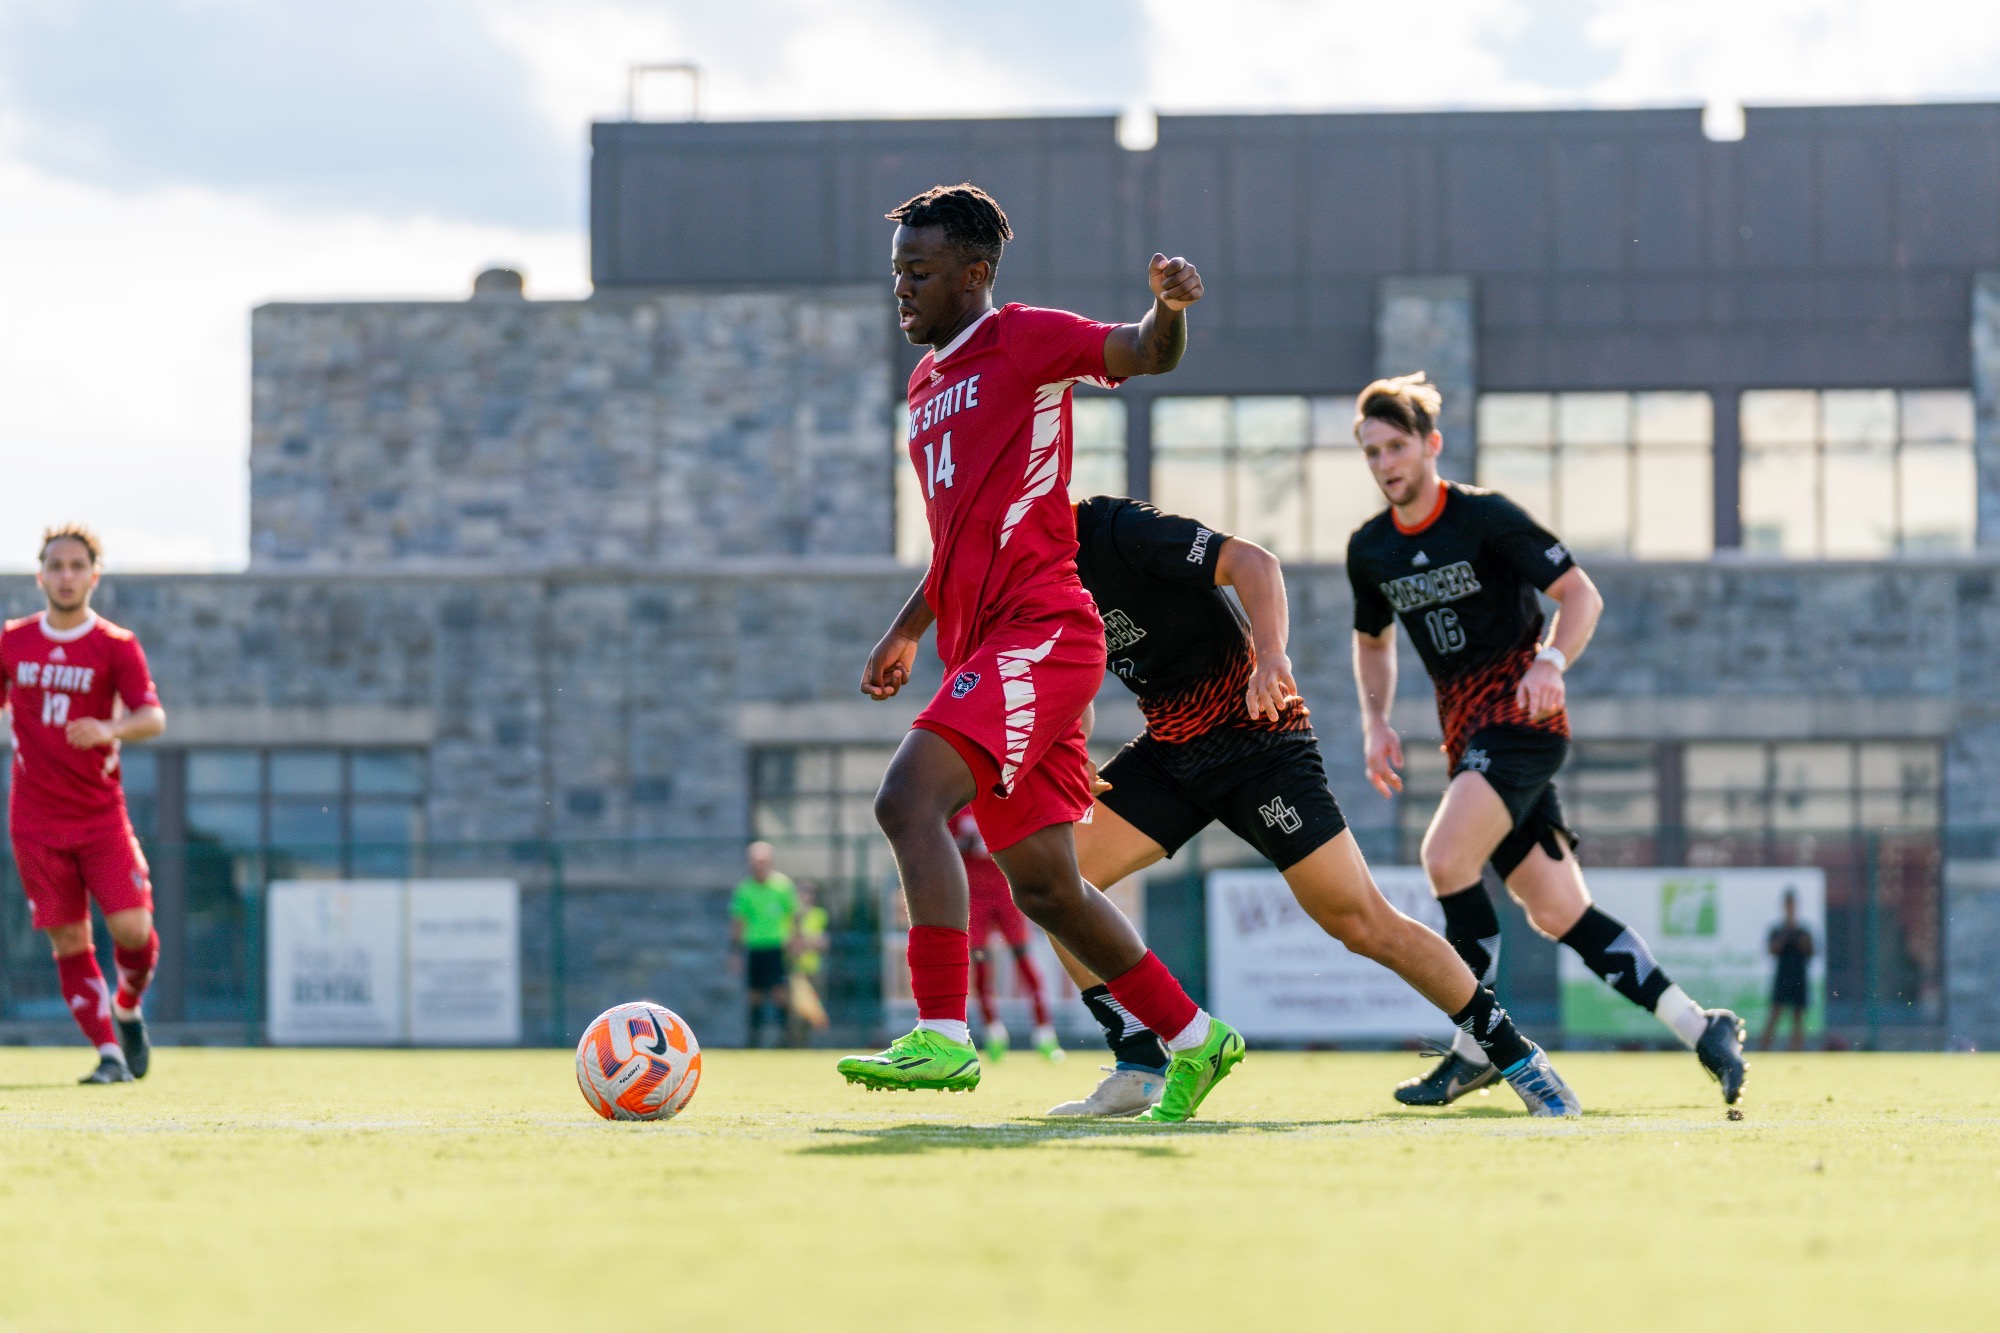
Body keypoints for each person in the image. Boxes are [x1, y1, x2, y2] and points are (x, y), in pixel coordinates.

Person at [837, 182, 1242, 1122]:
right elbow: (958, 537)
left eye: (921, 272)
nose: (902, 289)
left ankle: (941, 1033)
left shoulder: (1023, 338)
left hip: (1044, 632)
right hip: (987, 641)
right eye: (897, 272)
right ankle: (1194, 1037)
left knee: (906, 798)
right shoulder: (925, 384)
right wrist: (908, 627)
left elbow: (1144, 354)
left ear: (974, 274)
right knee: (1051, 888)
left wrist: (1167, 310)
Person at [1042, 496, 1578, 1119]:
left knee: (1361, 922)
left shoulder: (1112, 527)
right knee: (1057, 880)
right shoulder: (1023, 569)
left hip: (1258, 737)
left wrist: (1272, 655)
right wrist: (1068, 747)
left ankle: (1518, 1058)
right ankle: (1138, 1063)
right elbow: (1067, 668)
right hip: (1172, 750)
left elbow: (1255, 562)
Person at [1344, 373, 1748, 1106]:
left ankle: (1476, 1048)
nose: (1384, 464)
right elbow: (1372, 642)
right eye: (1370, 452)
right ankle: (1701, 1025)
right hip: (1468, 739)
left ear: (1431, 445)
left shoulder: (1486, 518)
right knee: (1558, 910)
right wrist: (1375, 721)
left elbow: (1580, 594)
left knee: (1444, 857)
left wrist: (1551, 660)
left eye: (1396, 446)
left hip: (1522, 728)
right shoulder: (1370, 549)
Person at [0, 525, 166, 1083]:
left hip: (100, 818)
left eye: (77, 566)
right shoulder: (13, 642)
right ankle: (109, 1054)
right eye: (56, 565)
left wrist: (109, 727)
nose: (66, 575)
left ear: (94, 575)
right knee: (70, 938)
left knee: (133, 931)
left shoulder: (116, 645)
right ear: (40, 574)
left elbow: (152, 716)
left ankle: (127, 1008)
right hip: (35, 821)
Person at [953, 807, 1061, 1063]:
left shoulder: (1002, 797)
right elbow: (945, 845)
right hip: (975, 896)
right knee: (980, 962)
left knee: (1023, 958)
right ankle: (993, 1031)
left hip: (1005, 892)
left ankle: (1045, 1033)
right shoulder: (957, 806)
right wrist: (965, 844)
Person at [730, 841, 797, 1048]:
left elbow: (793, 917)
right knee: (755, 995)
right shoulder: (745, 890)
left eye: (762, 861)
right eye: (754, 861)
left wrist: (795, 941)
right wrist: (735, 952)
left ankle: (785, 1041)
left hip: (777, 947)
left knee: (780, 993)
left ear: (770, 863)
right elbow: (738, 923)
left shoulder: (782, 887)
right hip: (754, 948)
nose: (757, 865)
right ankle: (753, 1041)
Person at [1764, 890, 1814, 1051]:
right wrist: (1784, 938)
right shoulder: (1778, 930)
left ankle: (1795, 1051)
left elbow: (1811, 951)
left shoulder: (1803, 931)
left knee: (1798, 1018)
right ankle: (1763, 1050)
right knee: (1774, 1015)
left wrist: (1800, 942)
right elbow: (1772, 950)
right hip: (1783, 977)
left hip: (1799, 977)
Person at [786, 882, 831, 1044]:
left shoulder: (819, 915)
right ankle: (796, 1045)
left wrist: (805, 942)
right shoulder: (790, 916)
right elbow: (788, 943)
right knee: (796, 1013)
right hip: (797, 971)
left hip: (813, 969)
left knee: (815, 1011)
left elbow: (823, 942)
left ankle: (814, 1045)